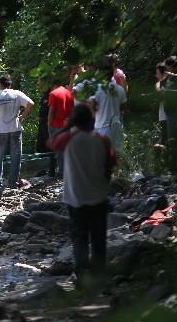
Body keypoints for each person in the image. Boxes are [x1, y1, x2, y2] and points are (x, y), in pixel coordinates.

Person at [49, 103, 117, 277]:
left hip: (75, 198)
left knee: (79, 237)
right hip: (99, 196)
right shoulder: (102, 139)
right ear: (91, 121)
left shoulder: (68, 139)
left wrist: (67, 126)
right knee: (98, 239)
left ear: (74, 121)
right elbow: (110, 166)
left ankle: (82, 274)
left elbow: (51, 142)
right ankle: (99, 275)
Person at [0, 74, 34, 191]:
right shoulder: (17, 93)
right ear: (10, 84)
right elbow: (31, 103)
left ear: (0, 84)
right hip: (15, 127)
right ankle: (12, 183)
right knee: (15, 157)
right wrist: (22, 117)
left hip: (0, 128)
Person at [89, 63, 127, 152]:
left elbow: (91, 107)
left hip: (102, 127)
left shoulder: (96, 89)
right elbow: (124, 107)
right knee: (117, 156)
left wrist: (96, 113)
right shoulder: (120, 89)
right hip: (116, 126)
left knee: (102, 157)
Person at [47, 72, 74, 176]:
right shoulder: (68, 92)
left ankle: (62, 172)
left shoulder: (53, 94)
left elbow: (51, 111)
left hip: (56, 125)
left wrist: (49, 124)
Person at [155, 61, 169, 147]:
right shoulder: (163, 84)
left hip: (165, 116)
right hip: (164, 115)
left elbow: (158, 95)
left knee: (165, 140)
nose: (156, 76)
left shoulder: (163, 85)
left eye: (157, 73)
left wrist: (157, 85)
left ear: (164, 73)